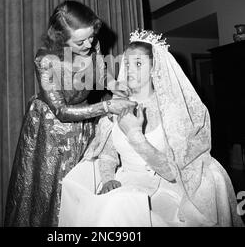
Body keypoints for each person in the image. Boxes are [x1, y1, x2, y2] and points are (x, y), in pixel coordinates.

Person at [58, 30, 244, 227]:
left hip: (165, 190)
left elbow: (174, 172)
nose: (129, 70)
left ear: (155, 68)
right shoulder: (115, 106)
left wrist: (135, 136)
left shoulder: (171, 110)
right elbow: (107, 155)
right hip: (125, 184)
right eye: (127, 64)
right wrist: (107, 180)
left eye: (138, 64)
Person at [4, 0, 137, 227]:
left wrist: (114, 84)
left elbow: (100, 73)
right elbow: (61, 111)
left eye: (91, 37)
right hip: (50, 130)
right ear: (59, 38)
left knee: (79, 188)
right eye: (80, 41)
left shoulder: (91, 44)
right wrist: (106, 107)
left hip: (83, 122)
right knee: (50, 192)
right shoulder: (45, 60)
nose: (89, 43)